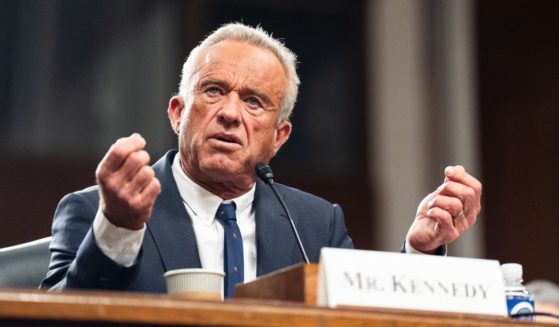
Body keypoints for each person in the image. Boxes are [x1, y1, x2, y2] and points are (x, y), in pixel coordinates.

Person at [40, 23, 481, 295]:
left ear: (278, 137)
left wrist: (419, 252)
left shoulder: (313, 223)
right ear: (178, 113)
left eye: (254, 102)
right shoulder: (95, 211)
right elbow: (54, 318)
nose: (230, 114)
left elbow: (363, 313)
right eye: (213, 91)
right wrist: (117, 229)